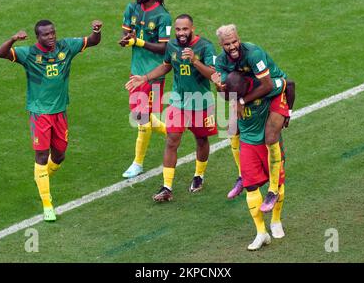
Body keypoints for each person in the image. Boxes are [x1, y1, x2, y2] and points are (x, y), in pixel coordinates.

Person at [0, 19, 102, 221]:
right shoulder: (28, 54)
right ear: (38, 37)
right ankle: (48, 205)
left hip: (60, 112)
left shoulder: (66, 47)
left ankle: (40, 177)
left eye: (53, 33)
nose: (51, 37)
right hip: (40, 113)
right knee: (42, 157)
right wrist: (12, 39)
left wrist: (96, 31)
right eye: (46, 34)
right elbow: (0, 53)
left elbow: (93, 41)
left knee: (60, 155)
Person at [126, 14, 217, 202]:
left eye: (185, 29)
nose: (181, 33)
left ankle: (199, 175)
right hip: (178, 102)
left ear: (192, 28)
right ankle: (167, 187)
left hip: (200, 103)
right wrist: (144, 78)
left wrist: (195, 61)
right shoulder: (172, 45)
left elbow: (213, 75)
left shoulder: (205, 46)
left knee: (201, 139)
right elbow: (166, 66)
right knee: (171, 140)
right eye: (178, 29)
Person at [212, 24, 295, 212]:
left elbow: (266, 86)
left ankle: (273, 189)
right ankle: (242, 175)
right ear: (221, 44)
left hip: (272, 89)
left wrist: (241, 100)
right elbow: (227, 95)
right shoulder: (221, 62)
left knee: (270, 137)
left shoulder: (253, 53)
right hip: (249, 91)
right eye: (227, 44)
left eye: (234, 42)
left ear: (238, 38)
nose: (232, 47)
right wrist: (219, 87)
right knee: (232, 129)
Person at [225, 71, 287, 250]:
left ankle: (276, 221)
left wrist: (286, 114)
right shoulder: (233, 95)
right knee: (250, 186)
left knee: (278, 184)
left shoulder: (265, 87)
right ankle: (261, 232)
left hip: (268, 144)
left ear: (246, 84)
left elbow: (288, 84)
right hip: (248, 145)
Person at [119, 0, 172, 178]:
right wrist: (126, 40)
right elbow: (127, 34)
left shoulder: (163, 16)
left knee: (141, 118)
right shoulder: (132, 8)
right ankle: (172, 131)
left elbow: (164, 48)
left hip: (154, 75)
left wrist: (138, 42)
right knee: (142, 116)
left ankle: (138, 163)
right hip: (136, 72)